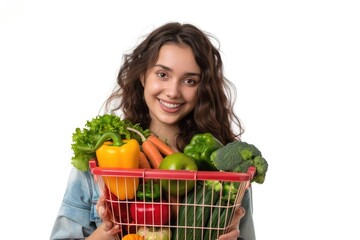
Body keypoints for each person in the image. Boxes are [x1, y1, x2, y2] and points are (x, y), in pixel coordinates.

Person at [50, 22, 256, 240]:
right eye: (162, 75)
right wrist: (102, 236)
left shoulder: (226, 169)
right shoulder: (101, 159)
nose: (173, 91)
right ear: (142, 76)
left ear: (202, 89)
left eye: (189, 80)